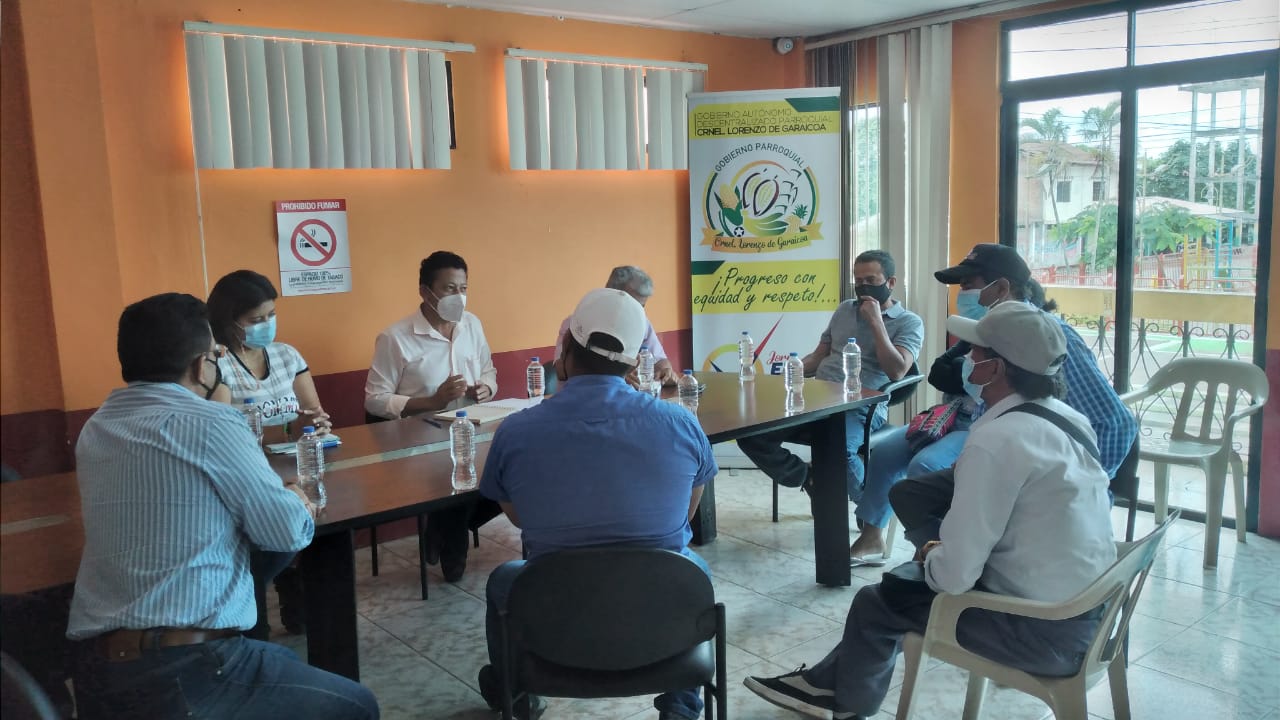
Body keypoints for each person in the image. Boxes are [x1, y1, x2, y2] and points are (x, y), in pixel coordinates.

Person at [744, 302, 1116, 720]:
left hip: (1042, 634)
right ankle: (825, 687)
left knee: (878, 601)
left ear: (995, 369)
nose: (965, 358)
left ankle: (844, 704)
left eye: (974, 351)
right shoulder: (1068, 419)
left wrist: (933, 555)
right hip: (1092, 617)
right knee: (909, 558)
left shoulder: (998, 440)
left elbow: (954, 579)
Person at [66, 293, 378, 720]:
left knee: (281, 662)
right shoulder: (211, 423)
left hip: (98, 671)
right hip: (187, 668)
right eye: (215, 355)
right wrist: (294, 497)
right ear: (201, 366)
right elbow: (285, 532)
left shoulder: (97, 426)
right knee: (357, 706)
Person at [476, 288, 718, 720]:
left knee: (504, 580)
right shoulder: (681, 422)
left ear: (564, 353)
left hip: (556, 621)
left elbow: (518, 515)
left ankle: (518, 696)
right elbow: (686, 512)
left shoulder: (515, 431)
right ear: (633, 363)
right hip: (659, 614)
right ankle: (680, 707)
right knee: (693, 568)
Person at [874, 243, 1138, 552]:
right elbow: (948, 377)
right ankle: (943, 556)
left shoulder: (1049, 338)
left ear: (1001, 288)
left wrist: (1083, 485)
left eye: (968, 286)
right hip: (1004, 461)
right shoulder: (989, 332)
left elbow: (1117, 423)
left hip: (1041, 479)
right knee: (911, 494)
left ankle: (962, 561)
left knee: (944, 490)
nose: (962, 295)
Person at [737, 250, 923, 550]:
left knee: (837, 449)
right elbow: (819, 356)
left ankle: (871, 519)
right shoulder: (844, 310)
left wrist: (876, 322)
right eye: (858, 281)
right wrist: (792, 370)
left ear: (890, 282)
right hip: (816, 399)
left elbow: (898, 370)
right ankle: (808, 477)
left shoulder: (909, 322)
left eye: (871, 280)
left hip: (861, 406)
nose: (863, 287)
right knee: (751, 433)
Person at [364, 251, 499, 581]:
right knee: (454, 475)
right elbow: (374, 400)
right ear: (426, 292)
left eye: (463, 288)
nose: (459, 297)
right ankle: (453, 552)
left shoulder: (472, 325)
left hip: (471, 428)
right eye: (449, 288)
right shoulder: (395, 338)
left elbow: (489, 371)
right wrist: (432, 401)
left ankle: (439, 527)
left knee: (507, 468)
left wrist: (486, 388)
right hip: (418, 441)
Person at [208, 269, 329, 637]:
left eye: (271, 315)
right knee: (260, 540)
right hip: (246, 476)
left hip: (296, 467)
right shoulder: (217, 364)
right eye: (255, 319)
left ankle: (296, 595)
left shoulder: (287, 355)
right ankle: (252, 617)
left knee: (310, 521)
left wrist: (316, 423)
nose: (266, 325)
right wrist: (285, 429)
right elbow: (221, 431)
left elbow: (311, 412)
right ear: (229, 321)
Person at [552, 265, 679, 388]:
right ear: (610, 292)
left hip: (628, 398)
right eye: (632, 304)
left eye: (642, 306)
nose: (638, 312)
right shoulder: (576, 322)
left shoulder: (642, 323)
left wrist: (665, 372)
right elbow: (561, 371)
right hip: (579, 398)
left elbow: (661, 361)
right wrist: (617, 377)